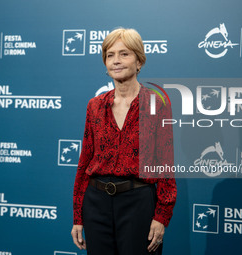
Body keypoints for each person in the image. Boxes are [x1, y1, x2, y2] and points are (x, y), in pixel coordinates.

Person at [71, 27, 177, 255]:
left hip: (138, 202)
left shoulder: (156, 104)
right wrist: (78, 216)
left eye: (124, 54)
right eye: (110, 55)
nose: (116, 61)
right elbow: (84, 162)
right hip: (96, 204)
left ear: (139, 61)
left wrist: (161, 216)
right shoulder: (95, 106)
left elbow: (166, 164)